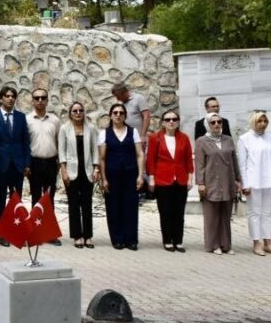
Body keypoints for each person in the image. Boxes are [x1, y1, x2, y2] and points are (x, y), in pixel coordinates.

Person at [237, 111, 271, 255]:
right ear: (253, 122)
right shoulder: (245, 139)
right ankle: (256, 243)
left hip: (269, 181)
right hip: (253, 182)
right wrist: (245, 184)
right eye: (260, 121)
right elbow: (242, 165)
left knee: (267, 213)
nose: (263, 124)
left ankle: (267, 243)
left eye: (265, 121)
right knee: (254, 213)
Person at [0, 85, 32, 246]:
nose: (10, 98)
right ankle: (3, 234)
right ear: (1, 98)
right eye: (7, 96)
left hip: (17, 164)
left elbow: (25, 141)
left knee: (16, 199)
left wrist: (27, 163)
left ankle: (16, 229)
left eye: (13, 96)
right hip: (0, 165)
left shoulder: (21, 117)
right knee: (0, 199)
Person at [146, 109, 192, 252]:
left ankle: (178, 241)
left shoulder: (184, 138)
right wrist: (152, 178)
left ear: (178, 122)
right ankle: (167, 240)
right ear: (163, 123)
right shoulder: (155, 138)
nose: (171, 122)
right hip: (162, 179)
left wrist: (190, 178)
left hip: (180, 179)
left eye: (174, 119)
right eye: (167, 120)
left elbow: (188, 159)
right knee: (165, 212)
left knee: (179, 212)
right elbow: (151, 160)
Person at [195, 113, 242, 254]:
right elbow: (199, 164)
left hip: (227, 180)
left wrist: (238, 179)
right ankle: (213, 244)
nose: (216, 125)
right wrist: (201, 183)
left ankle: (226, 245)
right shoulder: (201, 141)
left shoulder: (228, 139)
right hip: (211, 181)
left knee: (226, 215)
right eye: (212, 122)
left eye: (219, 122)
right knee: (212, 216)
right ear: (207, 124)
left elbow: (234, 160)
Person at [99, 102, 144, 249]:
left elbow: (139, 154)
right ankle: (117, 238)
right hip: (112, 174)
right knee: (113, 206)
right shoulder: (104, 133)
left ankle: (131, 239)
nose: (118, 115)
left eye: (121, 113)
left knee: (131, 206)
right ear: (111, 116)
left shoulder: (133, 132)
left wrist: (140, 175)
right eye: (115, 113)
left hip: (130, 174)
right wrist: (103, 178)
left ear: (125, 116)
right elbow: (102, 158)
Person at [58, 101, 101, 248]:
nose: (78, 113)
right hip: (71, 171)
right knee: (74, 204)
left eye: (80, 110)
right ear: (70, 113)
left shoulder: (91, 128)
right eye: (74, 111)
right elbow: (61, 151)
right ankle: (77, 236)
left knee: (87, 203)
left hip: (88, 170)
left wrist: (96, 169)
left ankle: (87, 236)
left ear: (84, 112)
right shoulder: (64, 128)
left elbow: (96, 150)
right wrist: (63, 171)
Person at [26, 90, 62, 240]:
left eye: (43, 98)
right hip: (34, 163)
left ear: (47, 100)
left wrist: (60, 163)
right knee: (35, 198)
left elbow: (60, 142)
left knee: (49, 199)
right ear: (32, 101)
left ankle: (49, 233)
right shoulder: (27, 120)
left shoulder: (54, 120)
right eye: (37, 98)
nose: (40, 100)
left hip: (51, 163)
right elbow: (24, 143)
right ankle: (35, 231)